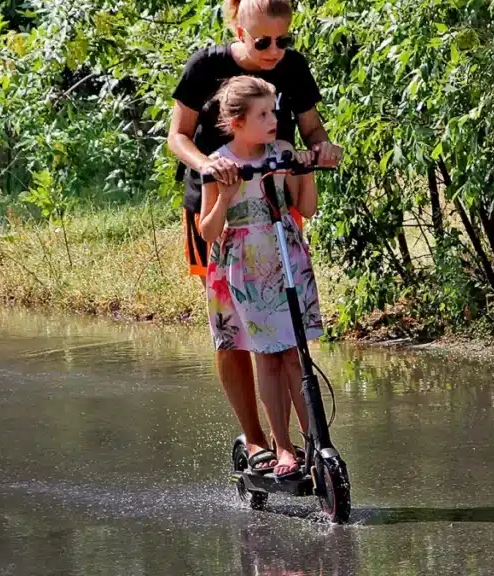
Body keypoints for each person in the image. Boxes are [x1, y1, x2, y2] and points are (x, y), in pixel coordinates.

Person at [166, 0, 340, 476]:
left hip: (275, 205)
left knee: (284, 332)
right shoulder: (206, 66)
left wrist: (319, 151)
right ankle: (259, 438)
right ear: (237, 28)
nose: (273, 51)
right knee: (234, 331)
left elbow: (310, 129)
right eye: (262, 41)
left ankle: (304, 442)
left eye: (282, 41)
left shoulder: (292, 68)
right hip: (221, 203)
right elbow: (177, 135)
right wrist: (208, 168)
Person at [197, 75, 324, 479]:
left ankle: (316, 442)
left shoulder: (281, 152)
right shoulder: (218, 163)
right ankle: (282, 447)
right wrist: (228, 195)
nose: (273, 121)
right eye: (263, 114)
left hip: (285, 256)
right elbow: (208, 231)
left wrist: (305, 170)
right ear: (236, 122)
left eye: (274, 112)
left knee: (295, 352)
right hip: (244, 265)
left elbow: (307, 207)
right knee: (268, 355)